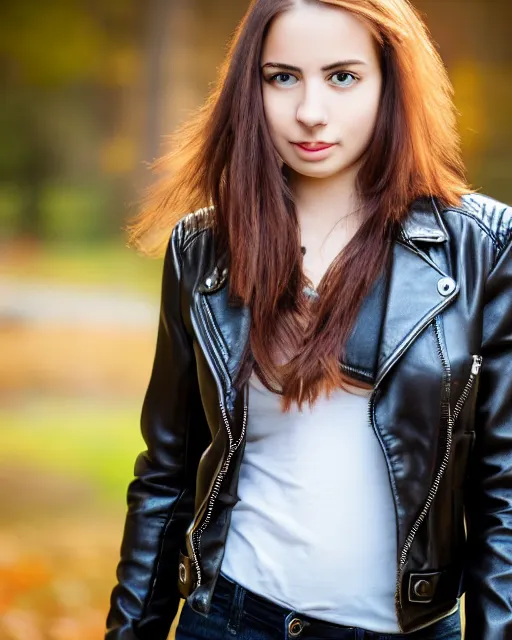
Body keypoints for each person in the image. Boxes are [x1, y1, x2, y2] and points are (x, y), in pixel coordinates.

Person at [104, 0, 512, 638]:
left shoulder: (483, 247)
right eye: (282, 77)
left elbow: (504, 493)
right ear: (251, 87)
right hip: (228, 618)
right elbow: (166, 472)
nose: (310, 111)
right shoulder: (204, 248)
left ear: (391, 84)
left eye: (343, 76)